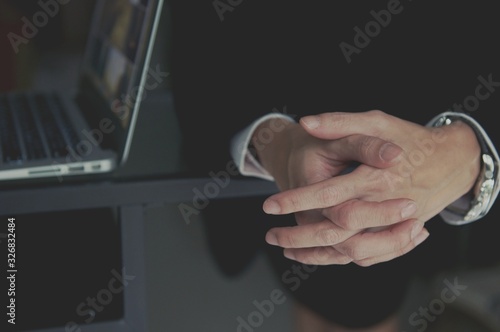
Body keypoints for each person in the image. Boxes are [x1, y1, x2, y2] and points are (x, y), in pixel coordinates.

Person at [169, 1, 500, 331]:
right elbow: (198, 32)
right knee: (345, 292)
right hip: (286, 126)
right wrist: (274, 140)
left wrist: (468, 148)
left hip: (445, 112)